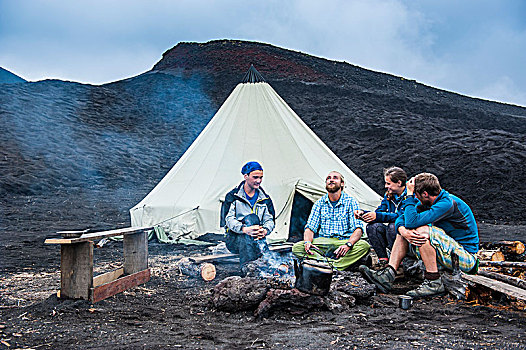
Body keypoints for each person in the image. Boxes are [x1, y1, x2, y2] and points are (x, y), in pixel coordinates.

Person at [359, 173, 479, 298]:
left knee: (422, 231)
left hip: (465, 259)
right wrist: (403, 231)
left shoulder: (447, 203)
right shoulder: (428, 202)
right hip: (446, 252)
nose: (415, 197)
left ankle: (433, 282)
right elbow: (402, 219)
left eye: (415, 194)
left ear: (425, 194)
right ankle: (388, 274)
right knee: (404, 232)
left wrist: (409, 197)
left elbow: (412, 221)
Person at [292, 171, 371, 270]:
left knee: (364, 246)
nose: (331, 180)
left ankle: (329, 265)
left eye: (335, 178)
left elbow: (358, 228)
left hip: (344, 240)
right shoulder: (319, 203)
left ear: (342, 183)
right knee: (297, 247)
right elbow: (310, 227)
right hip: (324, 241)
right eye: (328, 178)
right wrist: (308, 242)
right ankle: (332, 264)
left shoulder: (351, 202)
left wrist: (348, 244)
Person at [223, 161, 275, 265]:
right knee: (251, 219)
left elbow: (270, 220)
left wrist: (265, 230)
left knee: (254, 221)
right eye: (255, 177)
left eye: (261, 178)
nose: (259, 181)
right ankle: (248, 267)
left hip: (257, 239)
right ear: (245, 176)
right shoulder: (233, 196)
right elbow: (228, 220)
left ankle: (259, 268)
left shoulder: (265, 199)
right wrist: (244, 229)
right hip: (235, 240)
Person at [354, 167, 407, 266]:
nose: (386, 186)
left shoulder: (410, 195)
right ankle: (384, 260)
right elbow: (379, 212)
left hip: (406, 234)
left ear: (399, 183)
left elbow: (402, 216)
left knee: (393, 226)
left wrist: (377, 216)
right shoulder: (389, 195)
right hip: (393, 234)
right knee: (372, 227)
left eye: (388, 183)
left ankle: (398, 263)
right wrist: (364, 213)